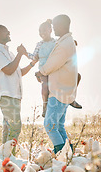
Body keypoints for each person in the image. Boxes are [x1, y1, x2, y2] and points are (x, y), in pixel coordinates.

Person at [30, 15, 79, 153]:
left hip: (58, 92)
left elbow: (52, 63)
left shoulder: (64, 45)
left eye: (55, 26)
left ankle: (60, 152)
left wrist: (40, 72)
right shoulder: (64, 42)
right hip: (62, 90)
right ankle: (68, 153)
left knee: (49, 125)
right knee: (59, 125)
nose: (54, 28)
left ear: (62, 26)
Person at [0, 25, 38, 143]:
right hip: (6, 95)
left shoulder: (9, 53)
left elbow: (19, 72)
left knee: (8, 128)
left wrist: (32, 63)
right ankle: (9, 155)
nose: (9, 32)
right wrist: (20, 54)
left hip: (14, 95)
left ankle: (5, 156)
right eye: (5, 31)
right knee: (15, 127)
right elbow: (9, 70)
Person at [25, 19, 82, 118]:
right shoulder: (39, 45)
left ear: (50, 30)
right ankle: (45, 105)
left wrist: (72, 41)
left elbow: (64, 45)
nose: (42, 33)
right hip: (44, 70)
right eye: (40, 32)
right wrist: (25, 53)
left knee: (77, 76)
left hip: (56, 69)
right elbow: (34, 57)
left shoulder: (56, 42)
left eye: (44, 31)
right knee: (45, 86)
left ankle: (71, 98)